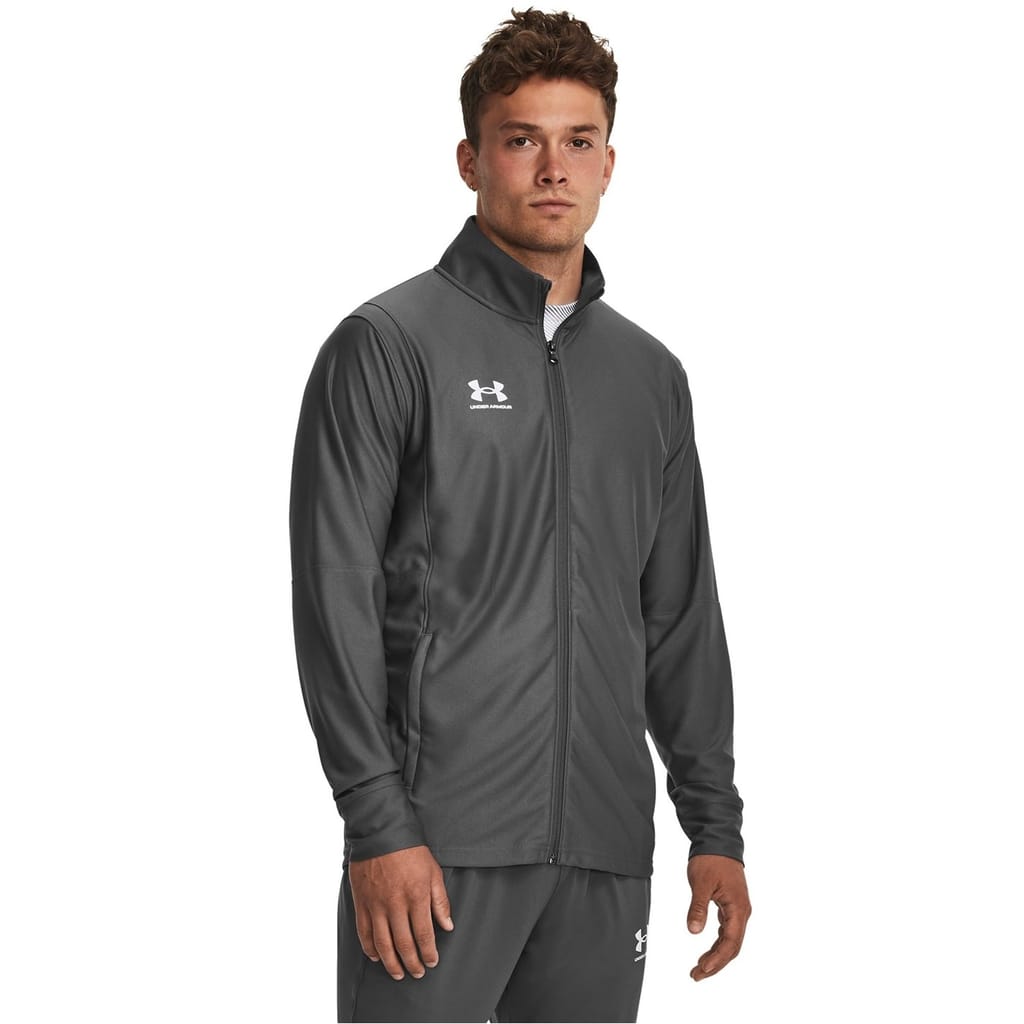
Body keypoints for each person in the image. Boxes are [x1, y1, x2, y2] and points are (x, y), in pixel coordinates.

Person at [289, 9, 751, 1022]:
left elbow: (678, 614)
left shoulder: (650, 376)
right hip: (435, 846)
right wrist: (377, 823)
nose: (553, 169)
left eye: (578, 141)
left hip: (604, 848)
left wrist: (713, 826)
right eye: (521, 139)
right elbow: (335, 597)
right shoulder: (387, 344)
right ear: (470, 159)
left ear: (609, 163)